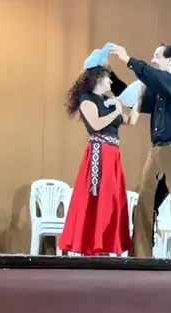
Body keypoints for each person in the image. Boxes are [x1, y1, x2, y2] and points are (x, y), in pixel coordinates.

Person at [109, 43, 171, 259]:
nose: (153, 60)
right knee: (144, 205)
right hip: (158, 152)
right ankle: (140, 258)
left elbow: (157, 78)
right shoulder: (160, 89)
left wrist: (129, 60)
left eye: (157, 56)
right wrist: (109, 74)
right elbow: (129, 96)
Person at [59, 65, 133, 256]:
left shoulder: (108, 101)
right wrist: (116, 111)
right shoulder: (87, 100)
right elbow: (96, 124)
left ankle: (106, 244)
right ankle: (93, 245)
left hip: (113, 154)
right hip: (99, 153)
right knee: (98, 195)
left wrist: (138, 101)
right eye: (108, 78)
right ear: (98, 79)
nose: (110, 81)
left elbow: (130, 120)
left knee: (112, 198)